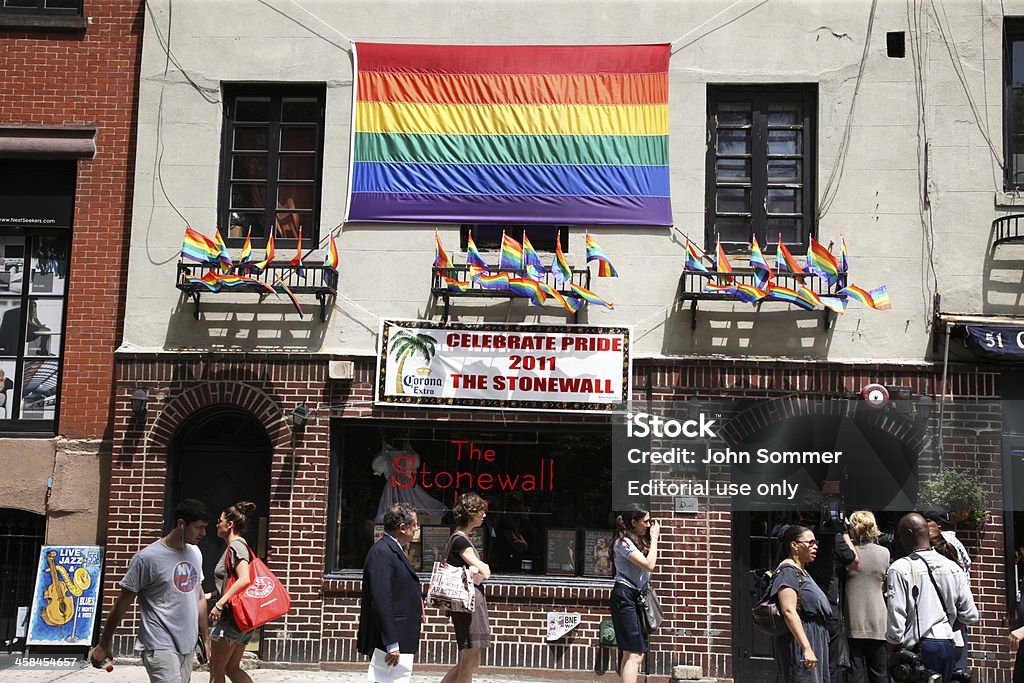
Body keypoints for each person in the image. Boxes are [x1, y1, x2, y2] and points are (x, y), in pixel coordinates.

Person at [90, 499, 211, 682]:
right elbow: (122, 603)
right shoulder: (147, 558)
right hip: (159, 644)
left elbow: (200, 597)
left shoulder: (195, 553)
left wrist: (205, 639)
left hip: (187, 644)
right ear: (180, 524)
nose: (203, 533)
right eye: (198, 527)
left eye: (204, 527)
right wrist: (103, 643)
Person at [884, 513, 978, 683]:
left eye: (901, 535)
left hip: (917, 650)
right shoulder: (952, 567)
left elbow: (896, 619)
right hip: (948, 644)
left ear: (909, 534)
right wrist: (948, 626)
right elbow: (970, 614)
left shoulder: (899, 568)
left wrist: (892, 650)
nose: (900, 541)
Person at [357, 502, 423, 671]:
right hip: (388, 641)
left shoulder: (395, 549)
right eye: (414, 524)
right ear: (402, 527)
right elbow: (381, 599)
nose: (417, 528)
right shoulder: (382, 552)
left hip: (400, 634)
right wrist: (392, 643)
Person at [801, 512, 858, 683]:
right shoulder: (833, 539)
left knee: (803, 659)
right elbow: (854, 561)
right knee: (829, 663)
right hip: (828, 606)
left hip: (802, 605)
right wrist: (845, 533)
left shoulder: (795, 536)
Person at [441, 492, 491, 683]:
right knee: (469, 659)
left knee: (471, 659)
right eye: (481, 511)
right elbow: (484, 570)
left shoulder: (459, 538)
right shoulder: (460, 541)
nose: (484, 515)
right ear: (472, 514)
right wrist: (482, 568)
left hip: (468, 605)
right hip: (467, 606)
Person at [771, 525, 832, 682]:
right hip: (800, 641)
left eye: (815, 542)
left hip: (815, 638)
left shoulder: (802, 571)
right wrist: (806, 648)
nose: (815, 546)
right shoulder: (788, 572)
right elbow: (789, 611)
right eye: (810, 543)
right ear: (794, 545)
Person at [609, 505, 661, 683]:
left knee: (630, 652)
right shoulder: (623, 542)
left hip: (635, 596)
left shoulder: (636, 541)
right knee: (635, 653)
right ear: (633, 522)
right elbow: (649, 565)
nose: (648, 525)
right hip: (625, 596)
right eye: (645, 521)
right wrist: (654, 538)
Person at [208, 501, 257, 683]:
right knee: (231, 668)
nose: (217, 524)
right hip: (241, 618)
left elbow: (244, 579)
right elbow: (232, 583)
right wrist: (211, 596)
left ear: (229, 525)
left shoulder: (236, 546)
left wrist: (220, 604)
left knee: (216, 672)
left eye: (219, 520)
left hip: (231, 619)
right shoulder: (236, 546)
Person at [921, 504, 972, 680]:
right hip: (955, 624)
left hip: (941, 628)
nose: (923, 526)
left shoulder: (938, 546)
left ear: (938, 524)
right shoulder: (956, 545)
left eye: (927, 522)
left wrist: (950, 624)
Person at [843, 511, 890, 683]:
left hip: (852, 617)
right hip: (878, 618)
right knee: (879, 671)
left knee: (855, 672)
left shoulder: (848, 554)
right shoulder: (884, 553)